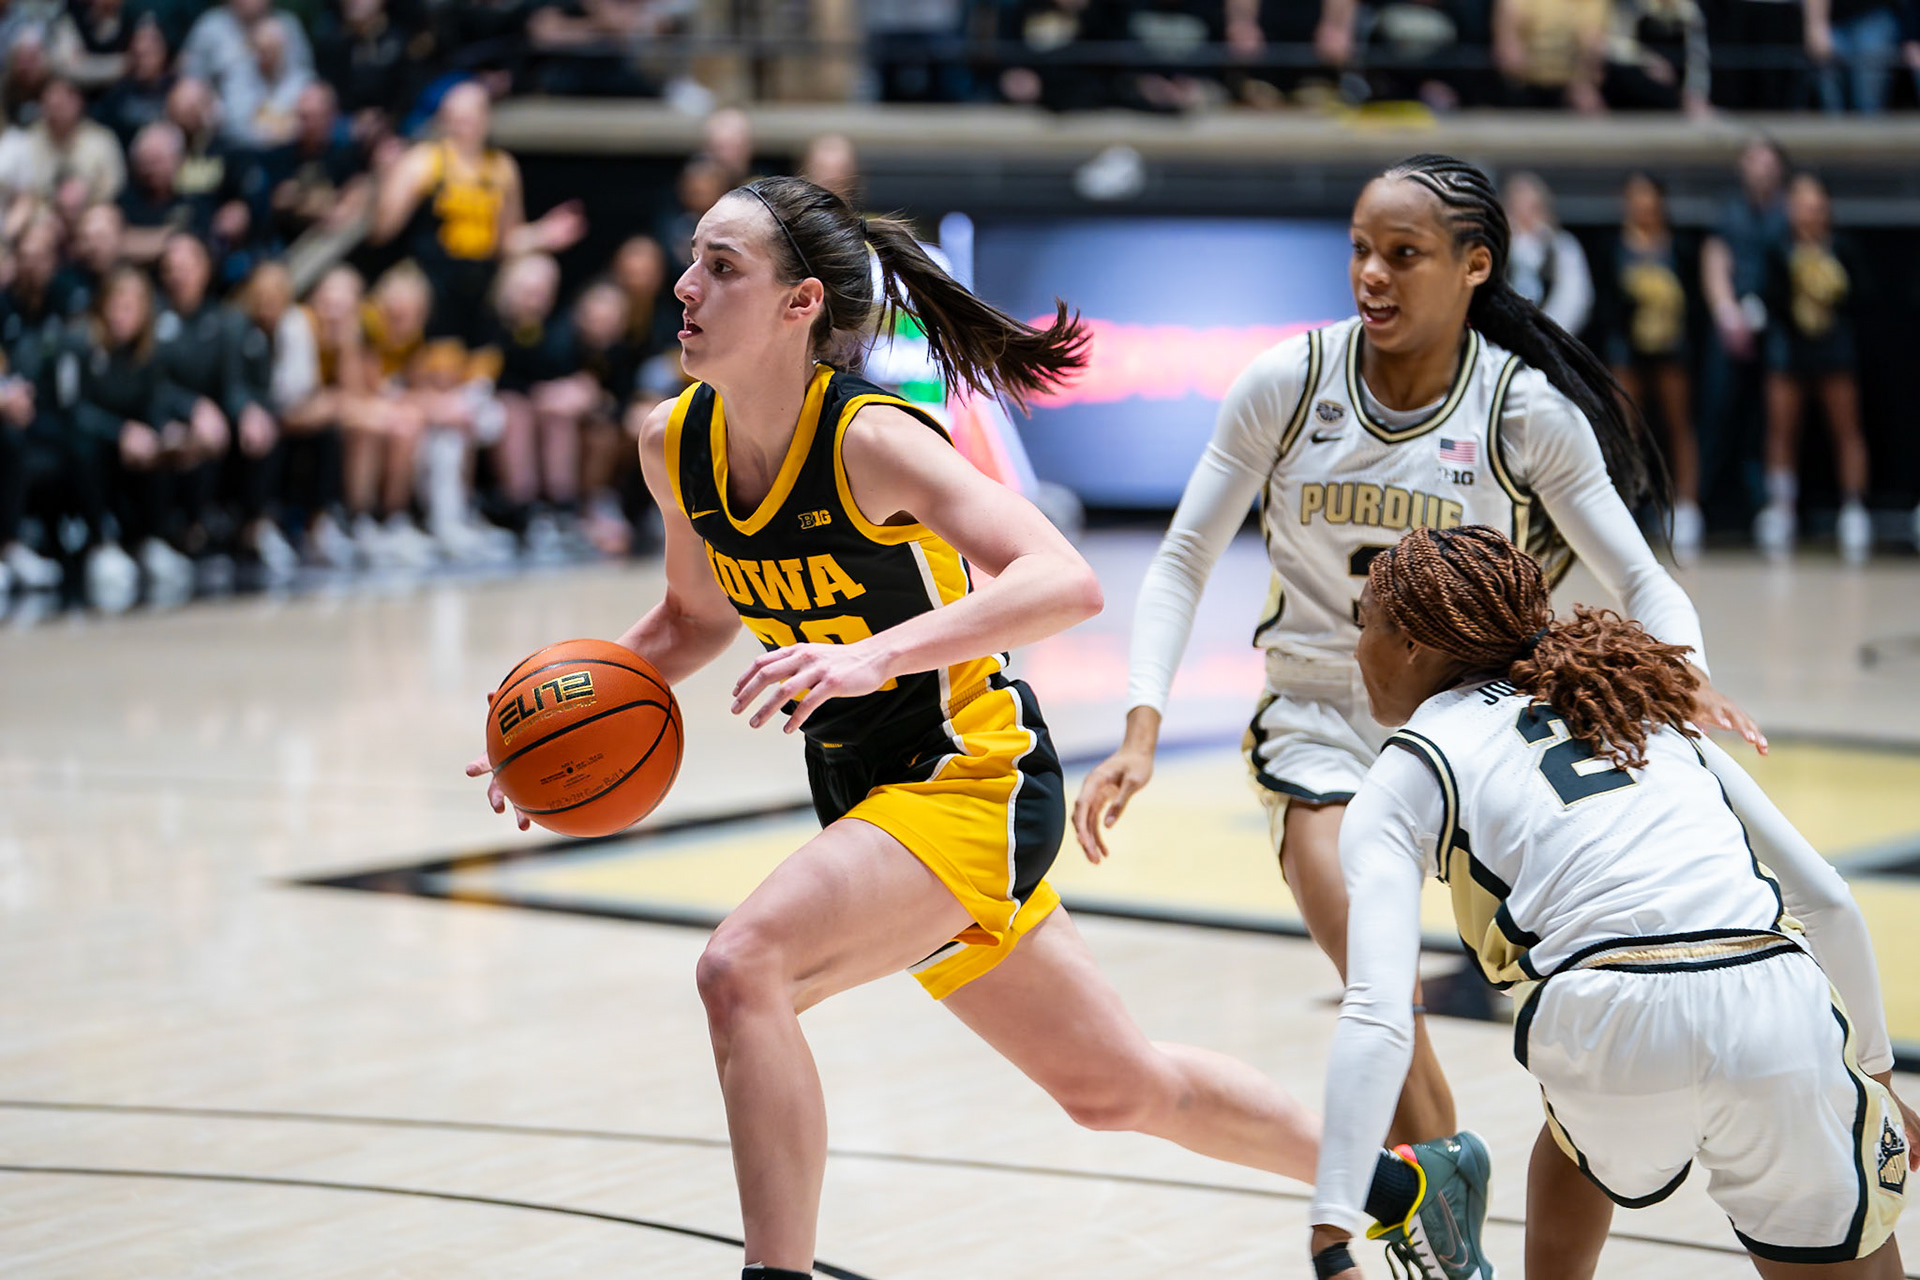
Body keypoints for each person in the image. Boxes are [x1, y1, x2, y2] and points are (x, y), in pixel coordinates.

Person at [465, 173, 1490, 1280]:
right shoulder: (677, 444)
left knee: (742, 965)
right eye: (693, 258)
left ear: (802, 303)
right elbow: (688, 618)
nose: (686, 284)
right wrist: (551, 721)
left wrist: (874, 654)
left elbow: (1065, 578)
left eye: (723, 265)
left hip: (974, 778)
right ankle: (1411, 1184)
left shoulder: (873, 442)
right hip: (873, 800)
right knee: (1121, 1087)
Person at [1075, 152, 1765, 1263]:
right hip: (1319, 719)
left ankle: (1590, 1166)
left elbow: (1642, 577)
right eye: (1358, 248)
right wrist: (1142, 724)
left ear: (1474, 265)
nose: (1372, 275)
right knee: (1374, 972)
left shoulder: (1521, 408)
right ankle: (1451, 1227)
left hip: (1479, 730)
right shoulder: (1289, 382)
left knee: (1575, 992)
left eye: (1403, 254)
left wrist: (1678, 670)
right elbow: (1182, 555)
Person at [1308, 523, 1914, 1280]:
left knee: (1576, 1135)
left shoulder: (1409, 768)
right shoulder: (1637, 708)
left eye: (1362, 624)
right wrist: (1874, 1080)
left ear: (1411, 647)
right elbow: (1825, 899)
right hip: (1773, 1002)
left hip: (1604, 1022)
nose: (1354, 649)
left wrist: (1331, 1225)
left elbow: (1378, 1009)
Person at [369, 81, 584, 350]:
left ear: (485, 119)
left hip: (482, 272)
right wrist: (386, 176)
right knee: (402, 295)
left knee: (536, 275)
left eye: (470, 117)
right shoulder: (423, 161)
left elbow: (505, 242)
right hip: (430, 272)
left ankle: (515, 365)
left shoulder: (502, 168)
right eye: (456, 118)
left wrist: (543, 233)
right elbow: (382, 230)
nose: (463, 127)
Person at [1757, 172, 1871, 562]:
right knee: (1782, 431)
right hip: (1789, 353)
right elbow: (1770, 298)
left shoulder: (1844, 248)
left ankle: (1853, 508)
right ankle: (1781, 509)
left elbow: (1860, 300)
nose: (1809, 213)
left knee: (1846, 429)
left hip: (1835, 352)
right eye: (1802, 205)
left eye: (1816, 206)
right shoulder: (1778, 249)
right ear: (1791, 209)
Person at [1605, 172, 1702, 562]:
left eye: (1648, 198)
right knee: (1624, 428)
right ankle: (1620, 510)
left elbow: (1692, 300)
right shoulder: (1615, 247)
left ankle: (1689, 509)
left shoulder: (1678, 247)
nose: (1641, 205)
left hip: (1671, 348)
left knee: (1679, 426)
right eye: (1634, 198)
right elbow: (1608, 303)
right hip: (1628, 349)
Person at [1699, 135, 1786, 534]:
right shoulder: (1729, 211)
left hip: (1780, 328)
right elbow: (1715, 259)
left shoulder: (1788, 211)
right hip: (1732, 329)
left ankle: (1774, 507)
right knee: (1716, 411)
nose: (1761, 167)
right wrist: (1727, 311)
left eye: (1767, 160)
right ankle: (1694, 505)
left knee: (1772, 419)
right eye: (1753, 159)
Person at [1502, 171, 1592, 337]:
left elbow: (1574, 298)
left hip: (1552, 339)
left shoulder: (1562, 246)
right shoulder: (1500, 246)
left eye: (1531, 207)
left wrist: (1547, 334)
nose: (1524, 215)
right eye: (1516, 206)